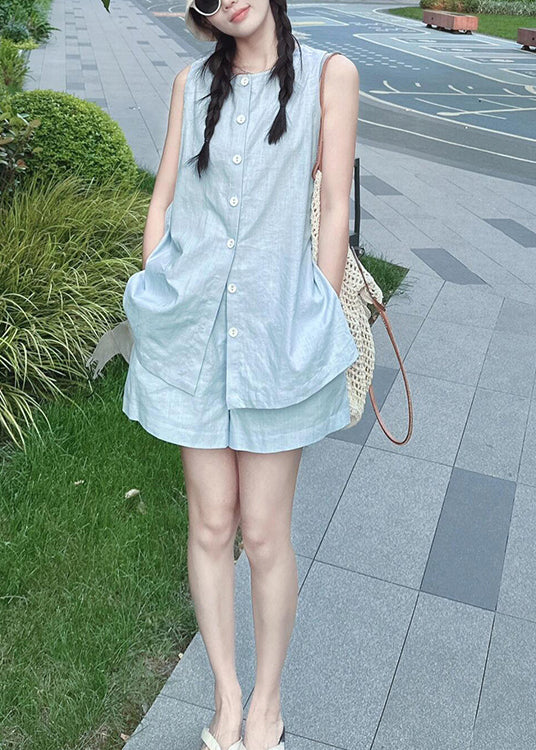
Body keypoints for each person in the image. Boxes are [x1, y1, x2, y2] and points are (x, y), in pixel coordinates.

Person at [121, 0, 360, 748]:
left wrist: (315, 310)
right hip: (192, 334)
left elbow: (335, 204)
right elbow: (164, 197)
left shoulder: (331, 76)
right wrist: (156, 281)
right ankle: (227, 697)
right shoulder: (190, 85)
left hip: (274, 339)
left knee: (263, 532)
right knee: (211, 522)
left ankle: (267, 704)